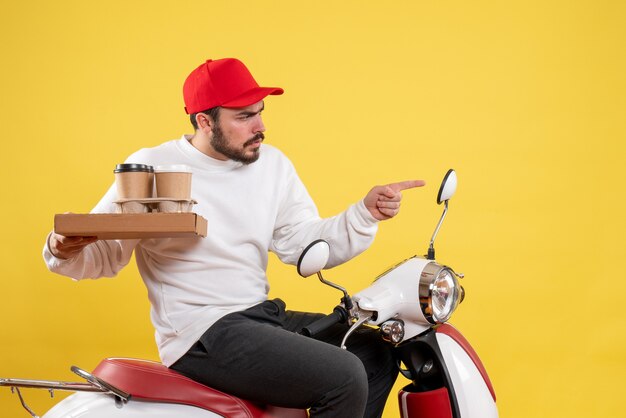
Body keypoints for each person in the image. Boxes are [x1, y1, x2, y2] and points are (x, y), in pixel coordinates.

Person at [44, 58, 425, 417]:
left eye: (260, 112)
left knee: (375, 352)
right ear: (204, 122)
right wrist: (62, 248)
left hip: (258, 317)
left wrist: (363, 214)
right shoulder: (154, 166)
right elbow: (107, 249)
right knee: (344, 374)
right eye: (244, 117)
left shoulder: (272, 165)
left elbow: (302, 242)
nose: (259, 126)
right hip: (200, 332)